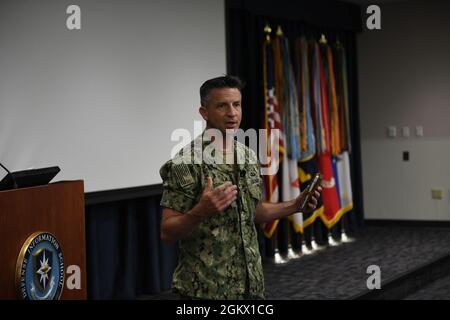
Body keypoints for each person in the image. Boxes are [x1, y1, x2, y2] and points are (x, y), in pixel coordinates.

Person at [159, 75, 321, 299]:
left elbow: (252, 211)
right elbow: (167, 232)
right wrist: (200, 212)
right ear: (204, 112)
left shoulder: (248, 155)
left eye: (236, 104)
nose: (232, 113)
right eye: (222, 106)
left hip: (251, 288)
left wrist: (295, 205)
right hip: (206, 290)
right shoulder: (186, 162)